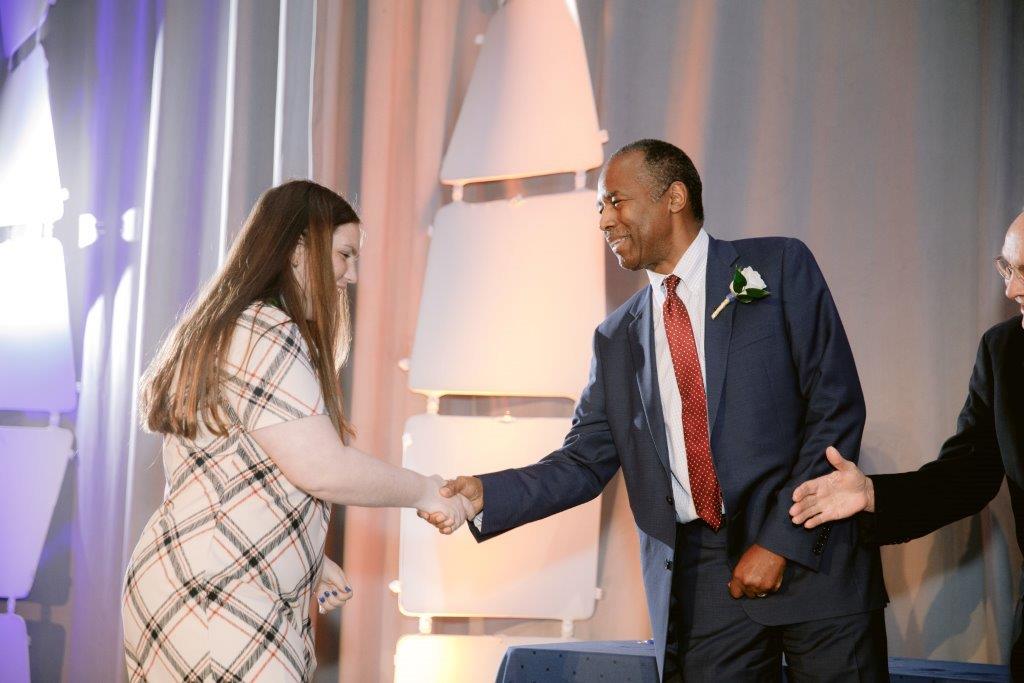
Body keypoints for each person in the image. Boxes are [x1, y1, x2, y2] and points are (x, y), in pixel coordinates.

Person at [425, 139, 889, 680]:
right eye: (599, 207)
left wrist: (780, 543)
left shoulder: (779, 266)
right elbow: (582, 463)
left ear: (673, 197)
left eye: (615, 201)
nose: (604, 220)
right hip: (706, 581)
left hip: (815, 551)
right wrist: (488, 493)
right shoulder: (615, 337)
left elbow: (835, 406)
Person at [121, 180, 469, 682]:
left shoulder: (233, 325)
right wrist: (426, 491)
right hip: (217, 595)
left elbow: (230, 468)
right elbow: (323, 469)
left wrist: (306, 557)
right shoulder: (267, 328)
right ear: (299, 249)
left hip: (194, 583)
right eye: (344, 255)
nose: (351, 275)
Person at [789, 211, 1024, 677]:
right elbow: (965, 476)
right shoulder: (1003, 351)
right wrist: (873, 495)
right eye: (1008, 268)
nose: (1011, 289)